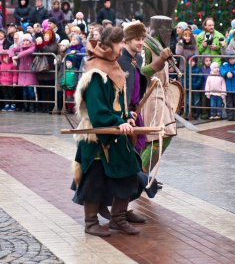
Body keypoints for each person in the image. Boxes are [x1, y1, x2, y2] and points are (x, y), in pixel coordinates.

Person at [72, 27, 141, 237]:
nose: (122, 47)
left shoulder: (113, 67)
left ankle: (118, 219)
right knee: (94, 181)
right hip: (97, 136)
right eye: (120, 43)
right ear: (111, 45)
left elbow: (117, 102)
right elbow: (98, 110)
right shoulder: (95, 73)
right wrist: (118, 122)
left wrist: (127, 116)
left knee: (130, 174)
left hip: (115, 134)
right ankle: (91, 223)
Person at [141, 16, 177, 173]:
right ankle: (140, 174)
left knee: (158, 136)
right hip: (151, 95)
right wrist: (159, 62)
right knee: (161, 135)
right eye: (165, 30)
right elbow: (141, 73)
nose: (168, 34)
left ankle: (143, 173)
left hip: (163, 94)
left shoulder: (161, 47)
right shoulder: (146, 47)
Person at [118, 21, 148, 153]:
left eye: (142, 39)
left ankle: (139, 172)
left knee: (140, 144)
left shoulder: (139, 59)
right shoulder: (118, 60)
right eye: (137, 39)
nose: (141, 42)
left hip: (136, 110)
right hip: (123, 112)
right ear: (127, 41)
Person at [9, 33, 38, 112]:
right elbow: (11, 49)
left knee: (30, 89)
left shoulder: (33, 46)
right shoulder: (21, 46)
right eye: (24, 40)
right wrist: (12, 57)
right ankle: (26, 106)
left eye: (27, 40)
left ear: (30, 41)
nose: (25, 42)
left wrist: (17, 56)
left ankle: (33, 106)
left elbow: (27, 52)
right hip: (22, 70)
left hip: (30, 70)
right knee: (24, 90)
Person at [35, 30, 58, 112]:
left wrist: (41, 44)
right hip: (41, 70)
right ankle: (43, 106)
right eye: (45, 35)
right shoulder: (41, 44)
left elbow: (48, 50)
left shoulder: (54, 45)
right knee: (42, 89)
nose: (46, 36)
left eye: (48, 35)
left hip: (49, 71)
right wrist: (37, 44)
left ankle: (49, 106)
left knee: (49, 90)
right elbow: (36, 51)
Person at [220, 53, 235, 121]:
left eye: (233, 59)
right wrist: (226, 73)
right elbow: (222, 69)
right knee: (229, 102)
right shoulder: (225, 64)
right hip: (228, 87)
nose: (232, 60)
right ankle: (230, 115)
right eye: (230, 59)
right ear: (228, 59)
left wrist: (233, 73)